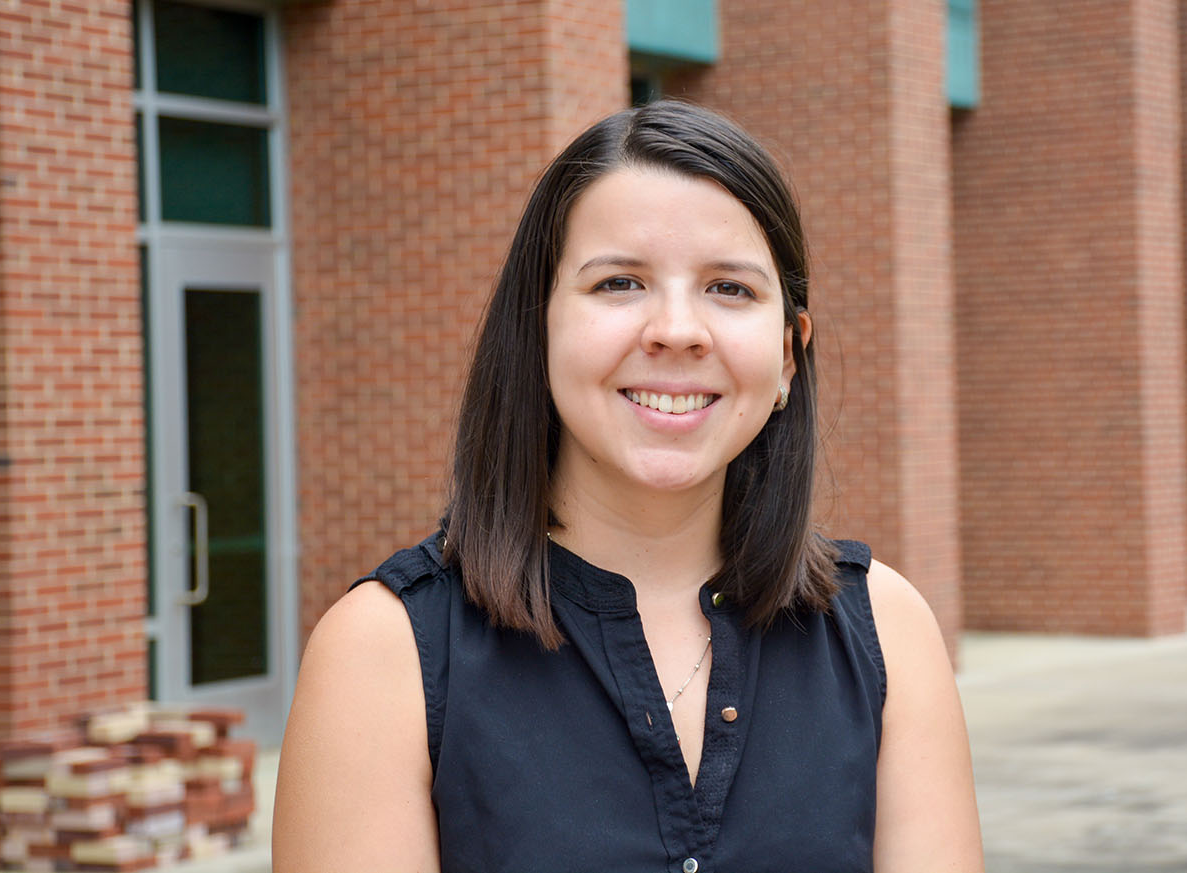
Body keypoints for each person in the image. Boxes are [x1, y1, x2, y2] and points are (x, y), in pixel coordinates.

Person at [272, 100, 984, 872]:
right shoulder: (384, 652)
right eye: (619, 282)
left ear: (787, 356)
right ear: (537, 326)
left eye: (730, 289)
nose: (676, 329)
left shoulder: (887, 630)